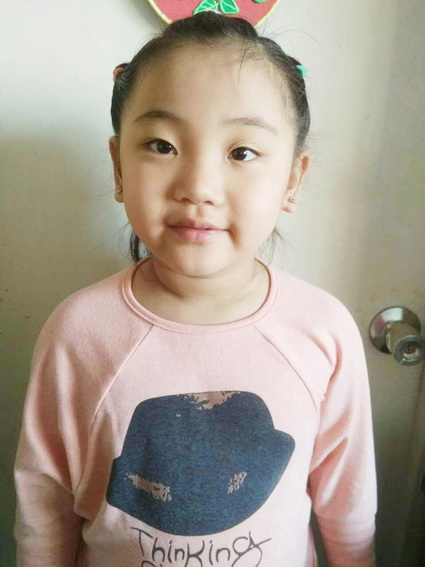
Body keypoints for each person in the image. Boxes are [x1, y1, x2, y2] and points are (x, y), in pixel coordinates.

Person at [14, 11, 377, 567]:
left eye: (241, 152)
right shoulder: (78, 330)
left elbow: (347, 509)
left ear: (292, 180)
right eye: (162, 145)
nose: (199, 187)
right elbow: (44, 510)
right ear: (118, 166)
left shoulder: (322, 330)